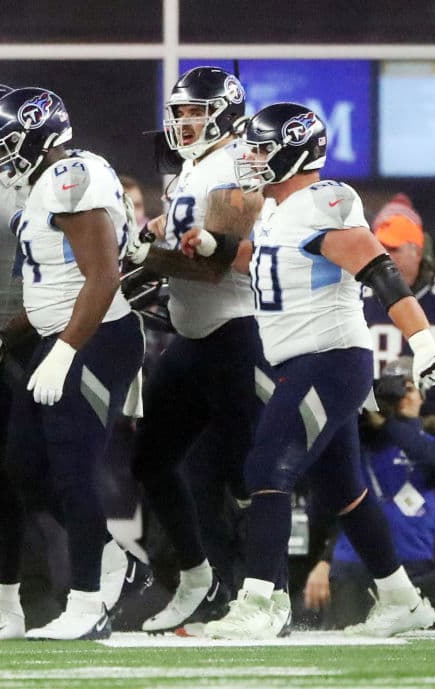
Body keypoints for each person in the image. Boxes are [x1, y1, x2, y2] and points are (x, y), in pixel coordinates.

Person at [196, 102, 435, 639]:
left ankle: (262, 601)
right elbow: (268, 261)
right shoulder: (277, 215)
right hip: (309, 362)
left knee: (267, 464)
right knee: (343, 489)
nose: (253, 158)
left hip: (330, 360)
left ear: (293, 151)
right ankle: (403, 598)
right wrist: (219, 246)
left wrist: (422, 341)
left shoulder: (321, 202)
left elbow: (376, 265)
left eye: (263, 148)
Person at [0, 87, 143, 640]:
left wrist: (67, 350)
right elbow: (53, 287)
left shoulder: (70, 176)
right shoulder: (49, 183)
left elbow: (103, 277)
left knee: (73, 467)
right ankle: (114, 562)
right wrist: (5, 337)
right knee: (23, 466)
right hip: (59, 336)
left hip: (94, 337)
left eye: (5, 144)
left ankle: (87, 602)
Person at [121, 66, 264, 632]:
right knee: (153, 461)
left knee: (250, 476)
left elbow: (214, 263)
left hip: (236, 330)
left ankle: (264, 595)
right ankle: (199, 580)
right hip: (193, 336)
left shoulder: (235, 166)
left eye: (195, 112)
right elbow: (181, 229)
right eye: (179, 112)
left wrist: (145, 260)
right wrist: (152, 232)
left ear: (224, 114)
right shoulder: (191, 170)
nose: (184, 121)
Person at [304, 357, 435, 628]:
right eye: (395, 389)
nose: (402, 396)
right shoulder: (361, 446)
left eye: (409, 387)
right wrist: (324, 562)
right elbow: (336, 502)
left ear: (423, 395)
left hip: (417, 568)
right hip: (355, 567)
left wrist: (387, 422)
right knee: (345, 647)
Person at [362, 197, 435, 435]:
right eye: (379, 247)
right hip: (370, 428)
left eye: (393, 248)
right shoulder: (355, 300)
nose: (384, 256)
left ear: (417, 251)